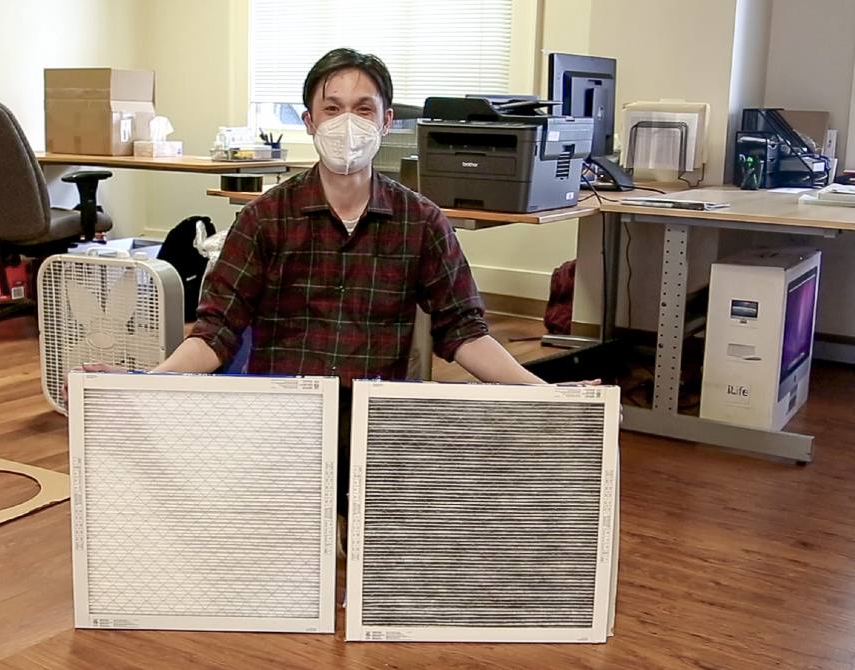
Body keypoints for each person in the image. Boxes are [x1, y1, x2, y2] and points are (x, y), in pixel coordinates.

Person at [85, 48, 578, 520]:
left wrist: (549, 396)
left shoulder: (421, 221)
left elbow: (463, 330)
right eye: (333, 108)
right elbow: (217, 331)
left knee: (470, 489)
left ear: (386, 122)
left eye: (364, 109)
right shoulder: (264, 219)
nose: (348, 123)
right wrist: (145, 387)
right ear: (310, 122)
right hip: (283, 421)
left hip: (375, 419)